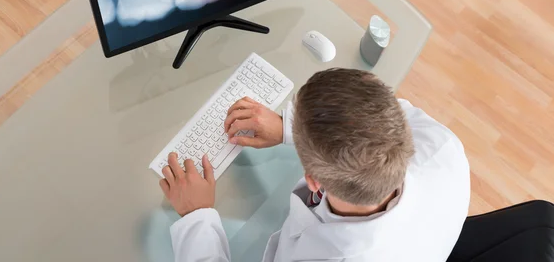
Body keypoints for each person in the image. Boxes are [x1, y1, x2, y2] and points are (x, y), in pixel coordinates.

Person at [159, 69, 471, 261]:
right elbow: (389, 112)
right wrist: (287, 125)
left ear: (314, 181)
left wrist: (197, 219)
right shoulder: (445, 148)